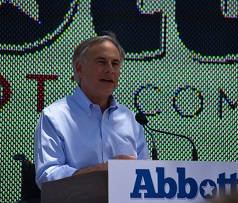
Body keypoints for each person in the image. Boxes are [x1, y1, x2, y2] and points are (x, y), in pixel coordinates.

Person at [34, 33, 151, 189]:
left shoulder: (131, 119)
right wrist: (99, 171)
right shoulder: (54, 116)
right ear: (80, 68)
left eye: (115, 64)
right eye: (102, 62)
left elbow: (147, 176)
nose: (110, 70)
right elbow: (47, 178)